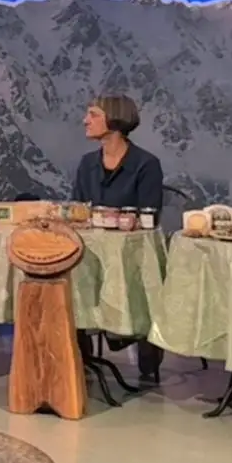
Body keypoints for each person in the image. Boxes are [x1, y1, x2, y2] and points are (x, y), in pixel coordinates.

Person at [71, 94, 166, 382]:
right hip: (90, 252)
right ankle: (79, 355)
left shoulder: (146, 164)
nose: (85, 120)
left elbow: (149, 215)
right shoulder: (87, 163)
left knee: (138, 278)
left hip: (130, 255)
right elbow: (78, 209)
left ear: (114, 119)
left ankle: (143, 350)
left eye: (93, 114)